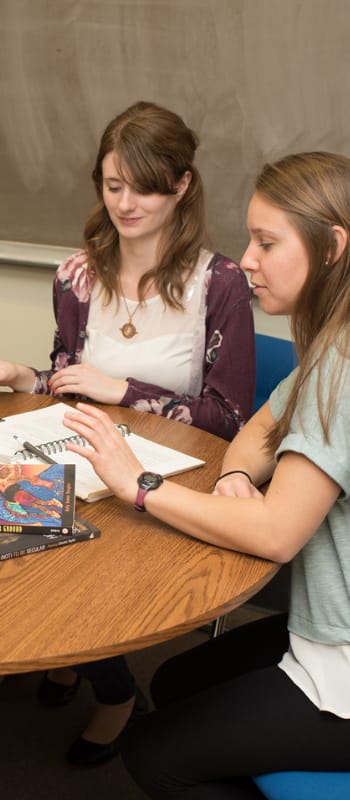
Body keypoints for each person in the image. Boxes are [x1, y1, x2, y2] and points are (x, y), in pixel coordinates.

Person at [61, 151, 350, 796]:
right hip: (323, 623)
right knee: (171, 681)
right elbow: (255, 433)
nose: (247, 259)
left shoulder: (343, 368)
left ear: (333, 247)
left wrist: (140, 482)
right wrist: (232, 479)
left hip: (342, 668)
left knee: (151, 753)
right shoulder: (332, 344)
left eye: (267, 242)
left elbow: (276, 534)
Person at [0, 101, 255, 768]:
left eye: (144, 186)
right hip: (77, 456)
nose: (127, 203)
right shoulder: (75, 276)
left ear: (181, 185)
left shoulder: (218, 283)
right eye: (114, 186)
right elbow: (66, 377)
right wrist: (23, 374)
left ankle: (114, 692)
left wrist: (127, 392)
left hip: (165, 476)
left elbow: (229, 420)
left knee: (82, 569)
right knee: (18, 540)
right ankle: (73, 664)